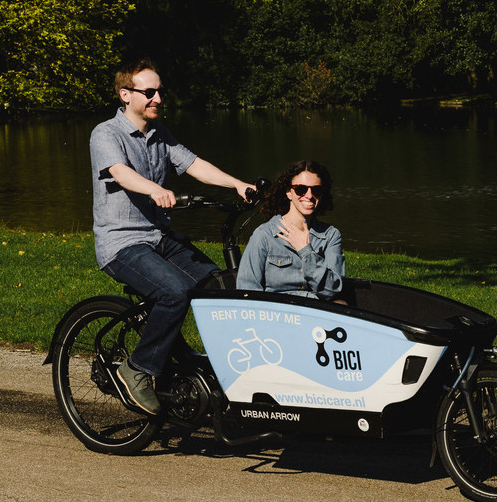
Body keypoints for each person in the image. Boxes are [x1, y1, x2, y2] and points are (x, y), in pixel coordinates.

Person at [90, 59, 253, 416]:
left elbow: (195, 165)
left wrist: (237, 184)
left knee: (219, 285)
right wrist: (155, 191)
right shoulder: (106, 134)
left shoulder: (159, 134)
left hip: (158, 235)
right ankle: (137, 369)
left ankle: (216, 369)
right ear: (126, 94)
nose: (158, 98)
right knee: (174, 292)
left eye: (160, 91)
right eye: (149, 92)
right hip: (122, 243)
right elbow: (120, 173)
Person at [236, 159, 344, 300]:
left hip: (316, 313)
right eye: (301, 189)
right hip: (276, 314)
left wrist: (306, 252)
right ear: (288, 192)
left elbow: (332, 291)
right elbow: (247, 292)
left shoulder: (330, 235)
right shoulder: (264, 235)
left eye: (316, 190)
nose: (309, 195)